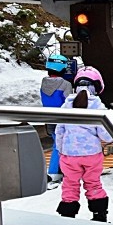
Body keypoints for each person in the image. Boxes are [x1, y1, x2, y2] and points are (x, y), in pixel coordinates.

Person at [55, 66, 113, 222]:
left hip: (69, 155)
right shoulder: (98, 107)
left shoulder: (67, 104)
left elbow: (59, 130)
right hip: (91, 155)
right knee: (93, 184)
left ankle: (68, 214)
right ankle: (99, 214)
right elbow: (106, 135)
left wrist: (61, 150)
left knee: (70, 184)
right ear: (97, 86)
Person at [41, 54, 73, 184]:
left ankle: (57, 171)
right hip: (63, 119)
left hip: (49, 118)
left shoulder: (44, 82)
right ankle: (54, 172)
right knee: (59, 146)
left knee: (56, 143)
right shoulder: (65, 84)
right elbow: (70, 101)